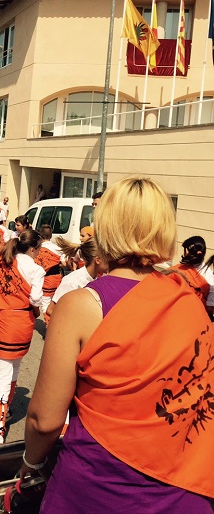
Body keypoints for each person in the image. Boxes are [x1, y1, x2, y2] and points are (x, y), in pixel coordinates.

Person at [22, 176, 214, 512]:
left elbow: (45, 420)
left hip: (100, 488)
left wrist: (32, 463)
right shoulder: (188, 299)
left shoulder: (83, 304)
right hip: (185, 489)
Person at [0, 229, 44, 445]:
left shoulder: (3, 263)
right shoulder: (36, 269)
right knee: (15, 369)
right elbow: (35, 299)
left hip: (5, 322)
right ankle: (3, 416)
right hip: (23, 323)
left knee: (3, 376)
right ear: (33, 249)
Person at [46, 237, 107, 316]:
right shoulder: (73, 282)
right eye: (108, 258)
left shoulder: (97, 278)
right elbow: (51, 310)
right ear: (98, 260)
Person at [173, 235, 214, 311]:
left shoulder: (208, 276)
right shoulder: (178, 268)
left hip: (192, 312)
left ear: (187, 251)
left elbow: (209, 307)